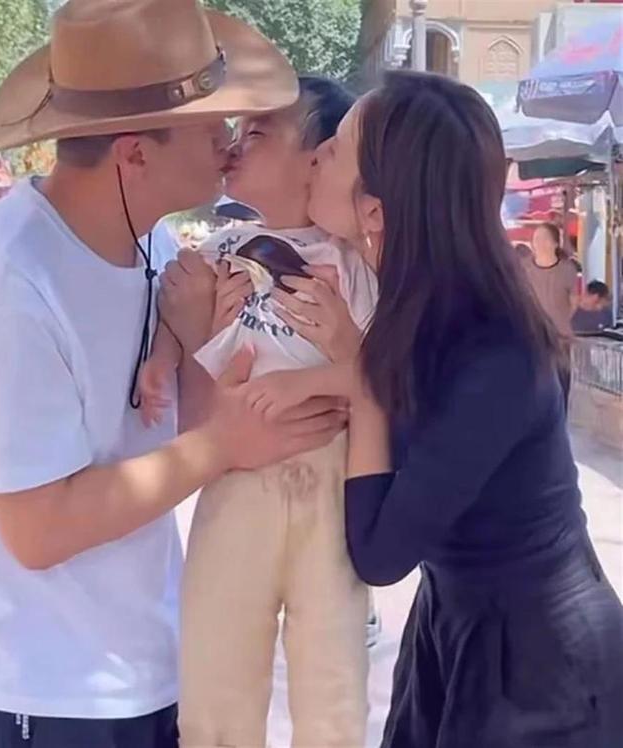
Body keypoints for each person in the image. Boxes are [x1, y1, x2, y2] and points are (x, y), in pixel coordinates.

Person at [0, 2, 346, 747]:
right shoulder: (9, 284)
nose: (228, 140)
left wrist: (202, 348)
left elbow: (177, 425)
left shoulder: (158, 246)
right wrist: (226, 444)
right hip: (47, 694)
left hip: (150, 668)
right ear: (135, 154)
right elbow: (38, 530)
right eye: (209, 124)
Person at [242, 71, 623, 747]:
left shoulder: (494, 354)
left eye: (336, 147)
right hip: (459, 630)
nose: (316, 154)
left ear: (375, 214)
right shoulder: (415, 304)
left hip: (542, 669)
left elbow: (380, 551)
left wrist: (359, 380)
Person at [142, 75, 378, 746]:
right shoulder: (217, 251)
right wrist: (162, 358)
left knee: (332, 684)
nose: (235, 145)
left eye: (259, 134)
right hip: (235, 481)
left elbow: (382, 375)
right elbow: (176, 315)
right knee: (216, 670)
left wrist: (335, 366)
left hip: (330, 487)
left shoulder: (352, 263)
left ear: (318, 159)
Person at [523, 222, 579, 338]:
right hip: (531, 334)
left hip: (560, 335)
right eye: (537, 239)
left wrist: (560, 321)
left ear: (556, 243)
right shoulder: (523, 268)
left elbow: (574, 302)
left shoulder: (567, 270)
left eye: (545, 238)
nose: (540, 243)